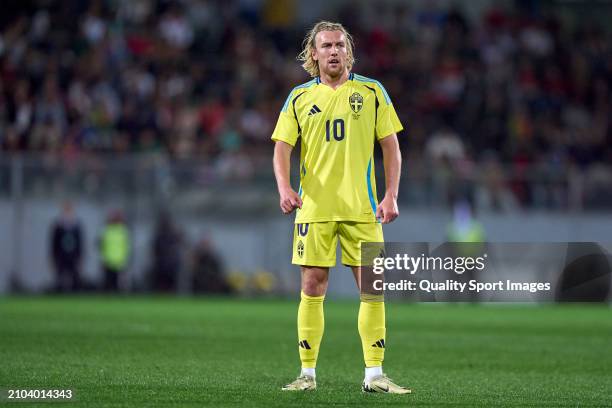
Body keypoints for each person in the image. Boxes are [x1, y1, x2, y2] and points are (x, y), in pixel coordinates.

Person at [272, 21, 410, 394]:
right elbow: (282, 147)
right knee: (312, 286)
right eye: (326, 46)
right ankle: (307, 374)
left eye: (339, 45)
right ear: (313, 54)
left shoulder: (372, 91)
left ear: (349, 52)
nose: (333, 51)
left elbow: (391, 146)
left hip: (362, 209)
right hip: (314, 208)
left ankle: (375, 375)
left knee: (372, 287)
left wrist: (391, 194)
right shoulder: (299, 97)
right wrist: (284, 187)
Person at [49, 201, 83, 292]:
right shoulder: (58, 226)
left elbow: (80, 244)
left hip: (73, 256)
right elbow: (54, 244)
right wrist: (53, 257)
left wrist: (80, 257)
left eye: (69, 211)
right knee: (59, 278)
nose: (68, 213)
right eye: (66, 211)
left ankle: (75, 296)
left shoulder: (77, 226)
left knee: (75, 278)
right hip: (61, 256)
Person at [99, 210, 130, 291]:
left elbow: (126, 247)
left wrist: (125, 259)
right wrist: (103, 258)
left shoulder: (123, 230)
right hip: (108, 261)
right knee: (108, 284)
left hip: (120, 261)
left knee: (119, 285)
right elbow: (102, 246)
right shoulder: (107, 230)